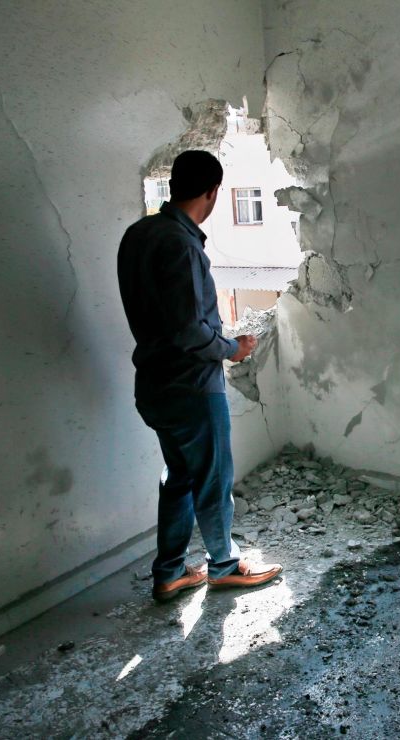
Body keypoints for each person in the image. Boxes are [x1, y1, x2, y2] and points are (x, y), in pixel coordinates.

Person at [118, 150, 283, 602]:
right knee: (211, 478)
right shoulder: (182, 244)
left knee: (180, 477)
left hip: (154, 383)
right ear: (212, 193)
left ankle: (170, 572)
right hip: (192, 386)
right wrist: (233, 348)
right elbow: (191, 330)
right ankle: (225, 566)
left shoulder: (139, 234)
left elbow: (166, 317)